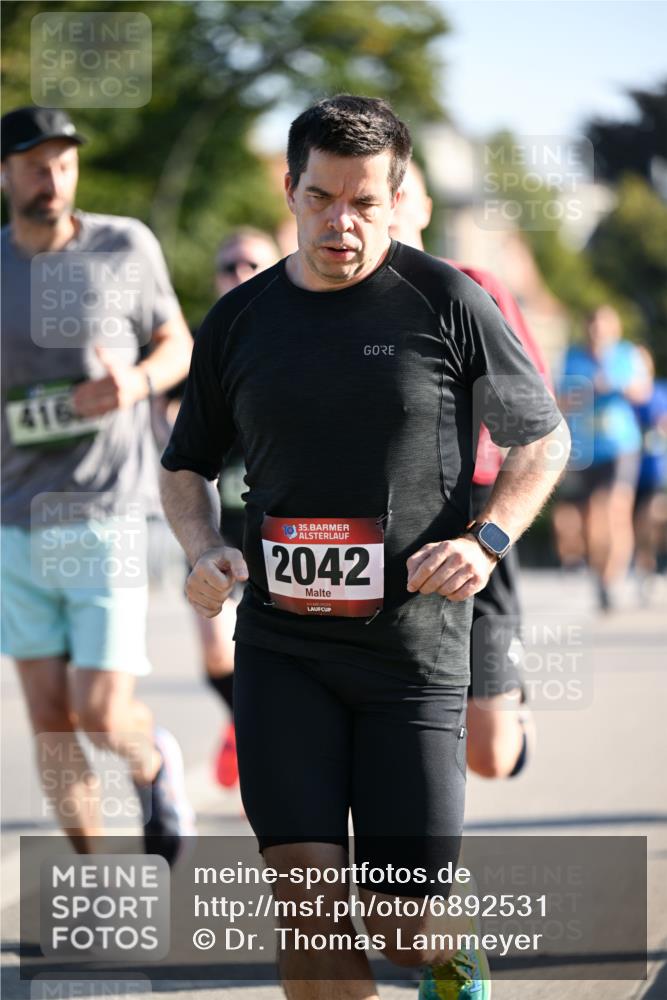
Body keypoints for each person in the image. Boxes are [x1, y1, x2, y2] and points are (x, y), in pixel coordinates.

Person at [160, 95, 569, 1000]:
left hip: (412, 657)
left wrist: (488, 538)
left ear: (395, 199)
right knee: (307, 908)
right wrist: (200, 549)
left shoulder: (448, 300)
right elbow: (184, 465)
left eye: (363, 202)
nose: (339, 222)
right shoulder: (240, 320)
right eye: (319, 198)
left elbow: (541, 439)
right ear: (291, 190)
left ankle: (453, 955)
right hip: (282, 649)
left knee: (402, 922)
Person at [1, 106, 195, 863]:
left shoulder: (124, 246)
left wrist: (137, 383)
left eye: (64, 163)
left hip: (103, 510)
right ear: (6, 173)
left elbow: (176, 341)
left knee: (100, 712)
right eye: (34, 164)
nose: (52, 178)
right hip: (15, 516)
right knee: (50, 720)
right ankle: (99, 877)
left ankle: (152, 763)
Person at [389, 161, 552, 779]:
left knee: (491, 757)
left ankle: (509, 706)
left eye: (404, 193)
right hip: (393, 528)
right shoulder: (343, 303)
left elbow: (536, 415)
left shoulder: (472, 284)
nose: (393, 205)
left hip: (478, 515)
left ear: (425, 207)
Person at [166, 228, 281, 788]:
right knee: (216, 652)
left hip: (279, 526)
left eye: (251, 264)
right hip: (214, 521)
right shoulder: (199, 341)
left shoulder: (294, 332)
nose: (238, 275)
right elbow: (163, 414)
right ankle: (246, 725)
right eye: (228, 266)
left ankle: (261, 739)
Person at [554, 305, 650, 610]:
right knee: (592, 519)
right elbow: (561, 399)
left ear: (615, 329)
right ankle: (600, 575)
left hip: (621, 446)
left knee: (615, 510)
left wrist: (615, 384)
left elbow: (642, 391)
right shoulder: (573, 357)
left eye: (604, 326)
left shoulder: (626, 355)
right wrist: (586, 390)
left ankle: (612, 577)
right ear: (587, 329)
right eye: (593, 326)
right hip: (586, 447)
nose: (598, 332)